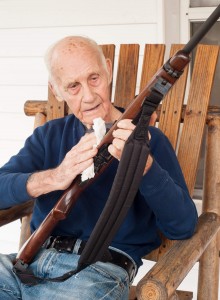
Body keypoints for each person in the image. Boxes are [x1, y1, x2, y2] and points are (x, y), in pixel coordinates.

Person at [0, 36, 198, 300]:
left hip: (98, 273)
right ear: (56, 89)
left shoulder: (150, 140)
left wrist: (144, 166)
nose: (89, 96)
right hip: (27, 265)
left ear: (107, 69)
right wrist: (54, 178)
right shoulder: (48, 136)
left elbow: (182, 226)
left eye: (94, 78)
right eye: (73, 86)